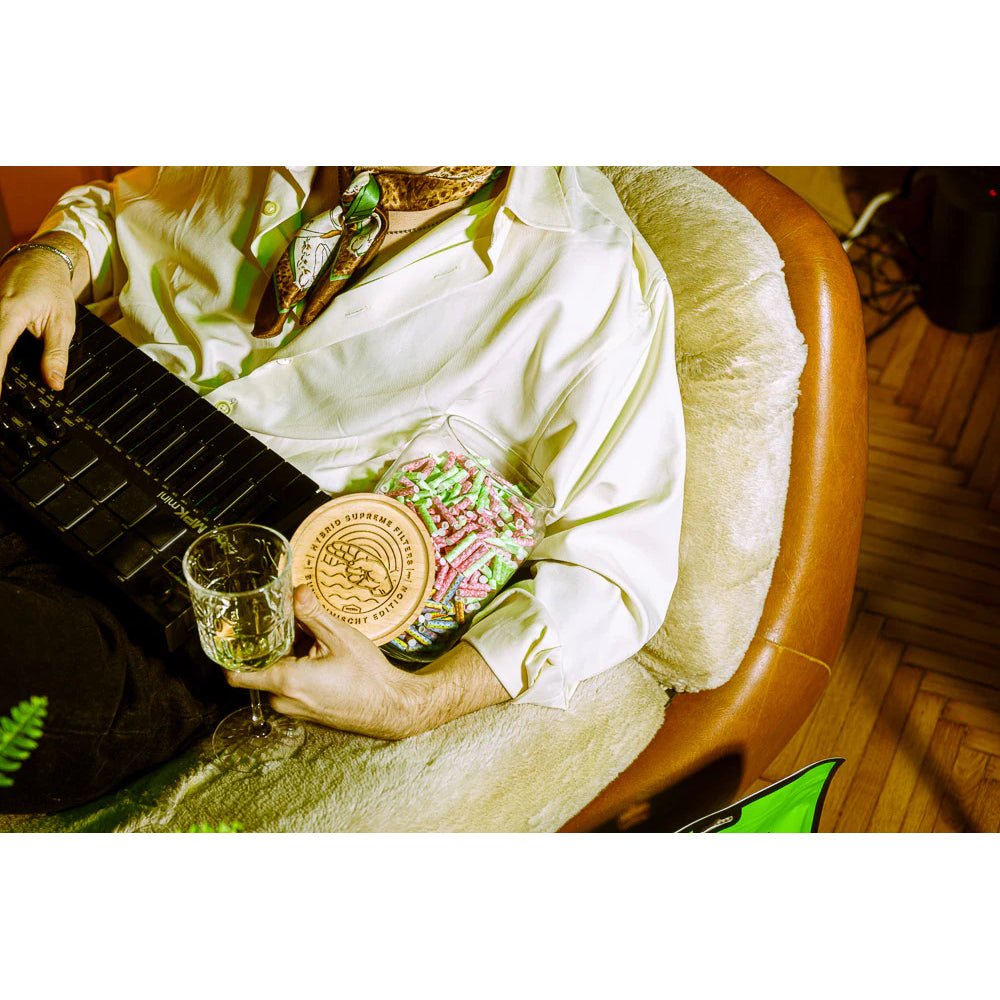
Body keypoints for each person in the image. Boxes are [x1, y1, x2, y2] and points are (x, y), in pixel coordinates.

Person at [0, 166, 685, 814]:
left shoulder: (595, 278)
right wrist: (50, 256)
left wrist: (415, 701)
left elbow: (614, 570)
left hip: (190, 603)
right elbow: (117, 216)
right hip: (48, 415)